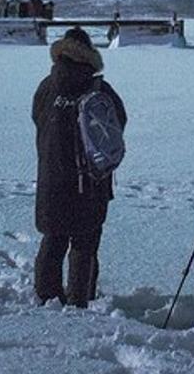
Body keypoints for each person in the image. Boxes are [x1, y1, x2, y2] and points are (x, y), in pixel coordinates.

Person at [32, 26, 127, 307]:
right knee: (85, 244)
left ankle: (46, 296)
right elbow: (118, 124)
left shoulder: (46, 88)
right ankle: (80, 299)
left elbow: (37, 119)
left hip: (51, 177)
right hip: (90, 181)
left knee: (53, 240)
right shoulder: (99, 88)